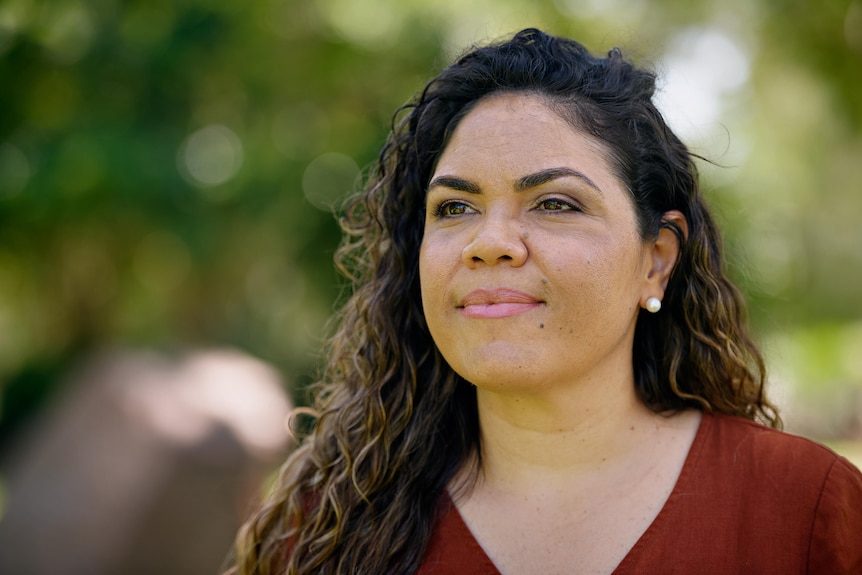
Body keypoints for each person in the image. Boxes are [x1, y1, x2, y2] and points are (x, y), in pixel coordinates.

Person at [226, 28, 862, 574]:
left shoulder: (804, 510)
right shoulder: (326, 531)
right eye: (454, 207)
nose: (489, 242)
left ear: (657, 259)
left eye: (555, 203)